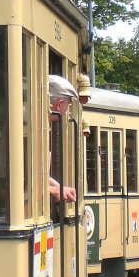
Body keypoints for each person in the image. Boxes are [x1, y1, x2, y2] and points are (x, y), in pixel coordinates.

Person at [48, 74, 79, 202]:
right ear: (59, 105)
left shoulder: (41, 127)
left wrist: (59, 187)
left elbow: (36, 175)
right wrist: (52, 190)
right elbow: (16, 180)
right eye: (68, 105)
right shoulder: (31, 129)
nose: (67, 111)